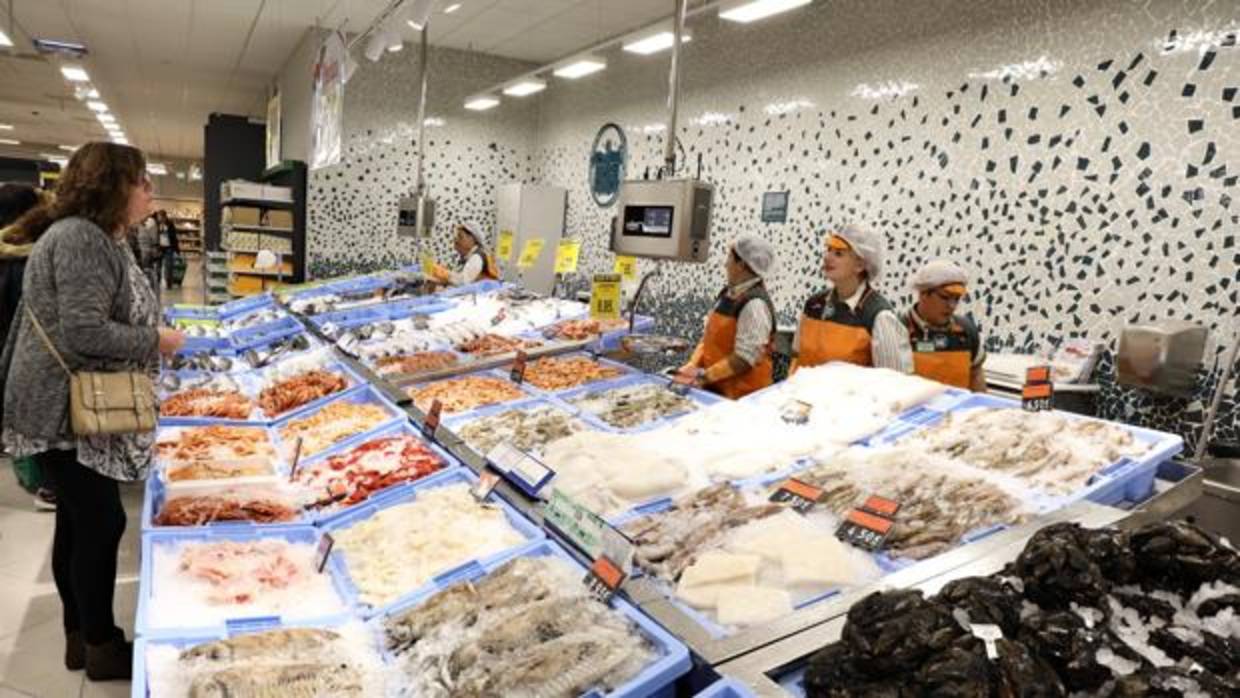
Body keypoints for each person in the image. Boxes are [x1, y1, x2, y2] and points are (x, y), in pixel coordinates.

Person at [0, 142, 185, 681]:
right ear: (112, 187)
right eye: (141, 180)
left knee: (78, 521)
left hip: (66, 402)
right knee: (102, 521)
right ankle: (101, 644)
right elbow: (85, 333)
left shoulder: (96, 234)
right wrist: (157, 340)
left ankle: (78, 637)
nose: (149, 190)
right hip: (66, 408)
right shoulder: (81, 238)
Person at [0, 184, 58, 510]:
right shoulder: (34, 257)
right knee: (42, 428)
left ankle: (41, 481)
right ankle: (47, 487)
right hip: (30, 354)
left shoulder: (13, 252)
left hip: (12, 354)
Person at [791, 224, 912, 373]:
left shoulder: (879, 317)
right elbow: (797, 357)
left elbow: (893, 380)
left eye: (838, 254)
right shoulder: (813, 305)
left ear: (860, 265)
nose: (827, 257)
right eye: (828, 250)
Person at [677, 234, 776, 399]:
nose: (725, 264)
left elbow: (744, 359)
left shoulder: (755, 304)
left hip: (742, 398)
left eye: (729, 258)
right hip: (718, 389)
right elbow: (709, 339)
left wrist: (705, 377)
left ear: (741, 265)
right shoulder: (727, 293)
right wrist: (692, 365)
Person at [904, 259, 987, 391]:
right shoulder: (898, 330)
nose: (952, 306)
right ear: (923, 294)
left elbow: (976, 375)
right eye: (945, 297)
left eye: (956, 299)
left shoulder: (967, 331)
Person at [429, 222, 499, 286]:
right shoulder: (467, 257)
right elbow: (459, 277)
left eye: (460, 237)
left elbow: (463, 282)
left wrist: (445, 274)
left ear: (472, 239)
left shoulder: (477, 257)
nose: (456, 240)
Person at [135, 213, 162, 298]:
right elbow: (154, 239)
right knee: (147, 271)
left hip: (144, 253)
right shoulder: (149, 224)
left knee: (146, 271)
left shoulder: (140, 226)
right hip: (145, 253)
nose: (146, 220)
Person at [154, 210, 182, 289]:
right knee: (158, 266)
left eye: (159, 217)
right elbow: (155, 235)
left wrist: (177, 250)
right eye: (158, 217)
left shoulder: (170, 224)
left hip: (169, 248)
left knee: (169, 266)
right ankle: (158, 282)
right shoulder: (157, 224)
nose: (158, 218)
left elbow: (174, 237)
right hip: (160, 248)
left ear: (164, 217)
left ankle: (169, 284)